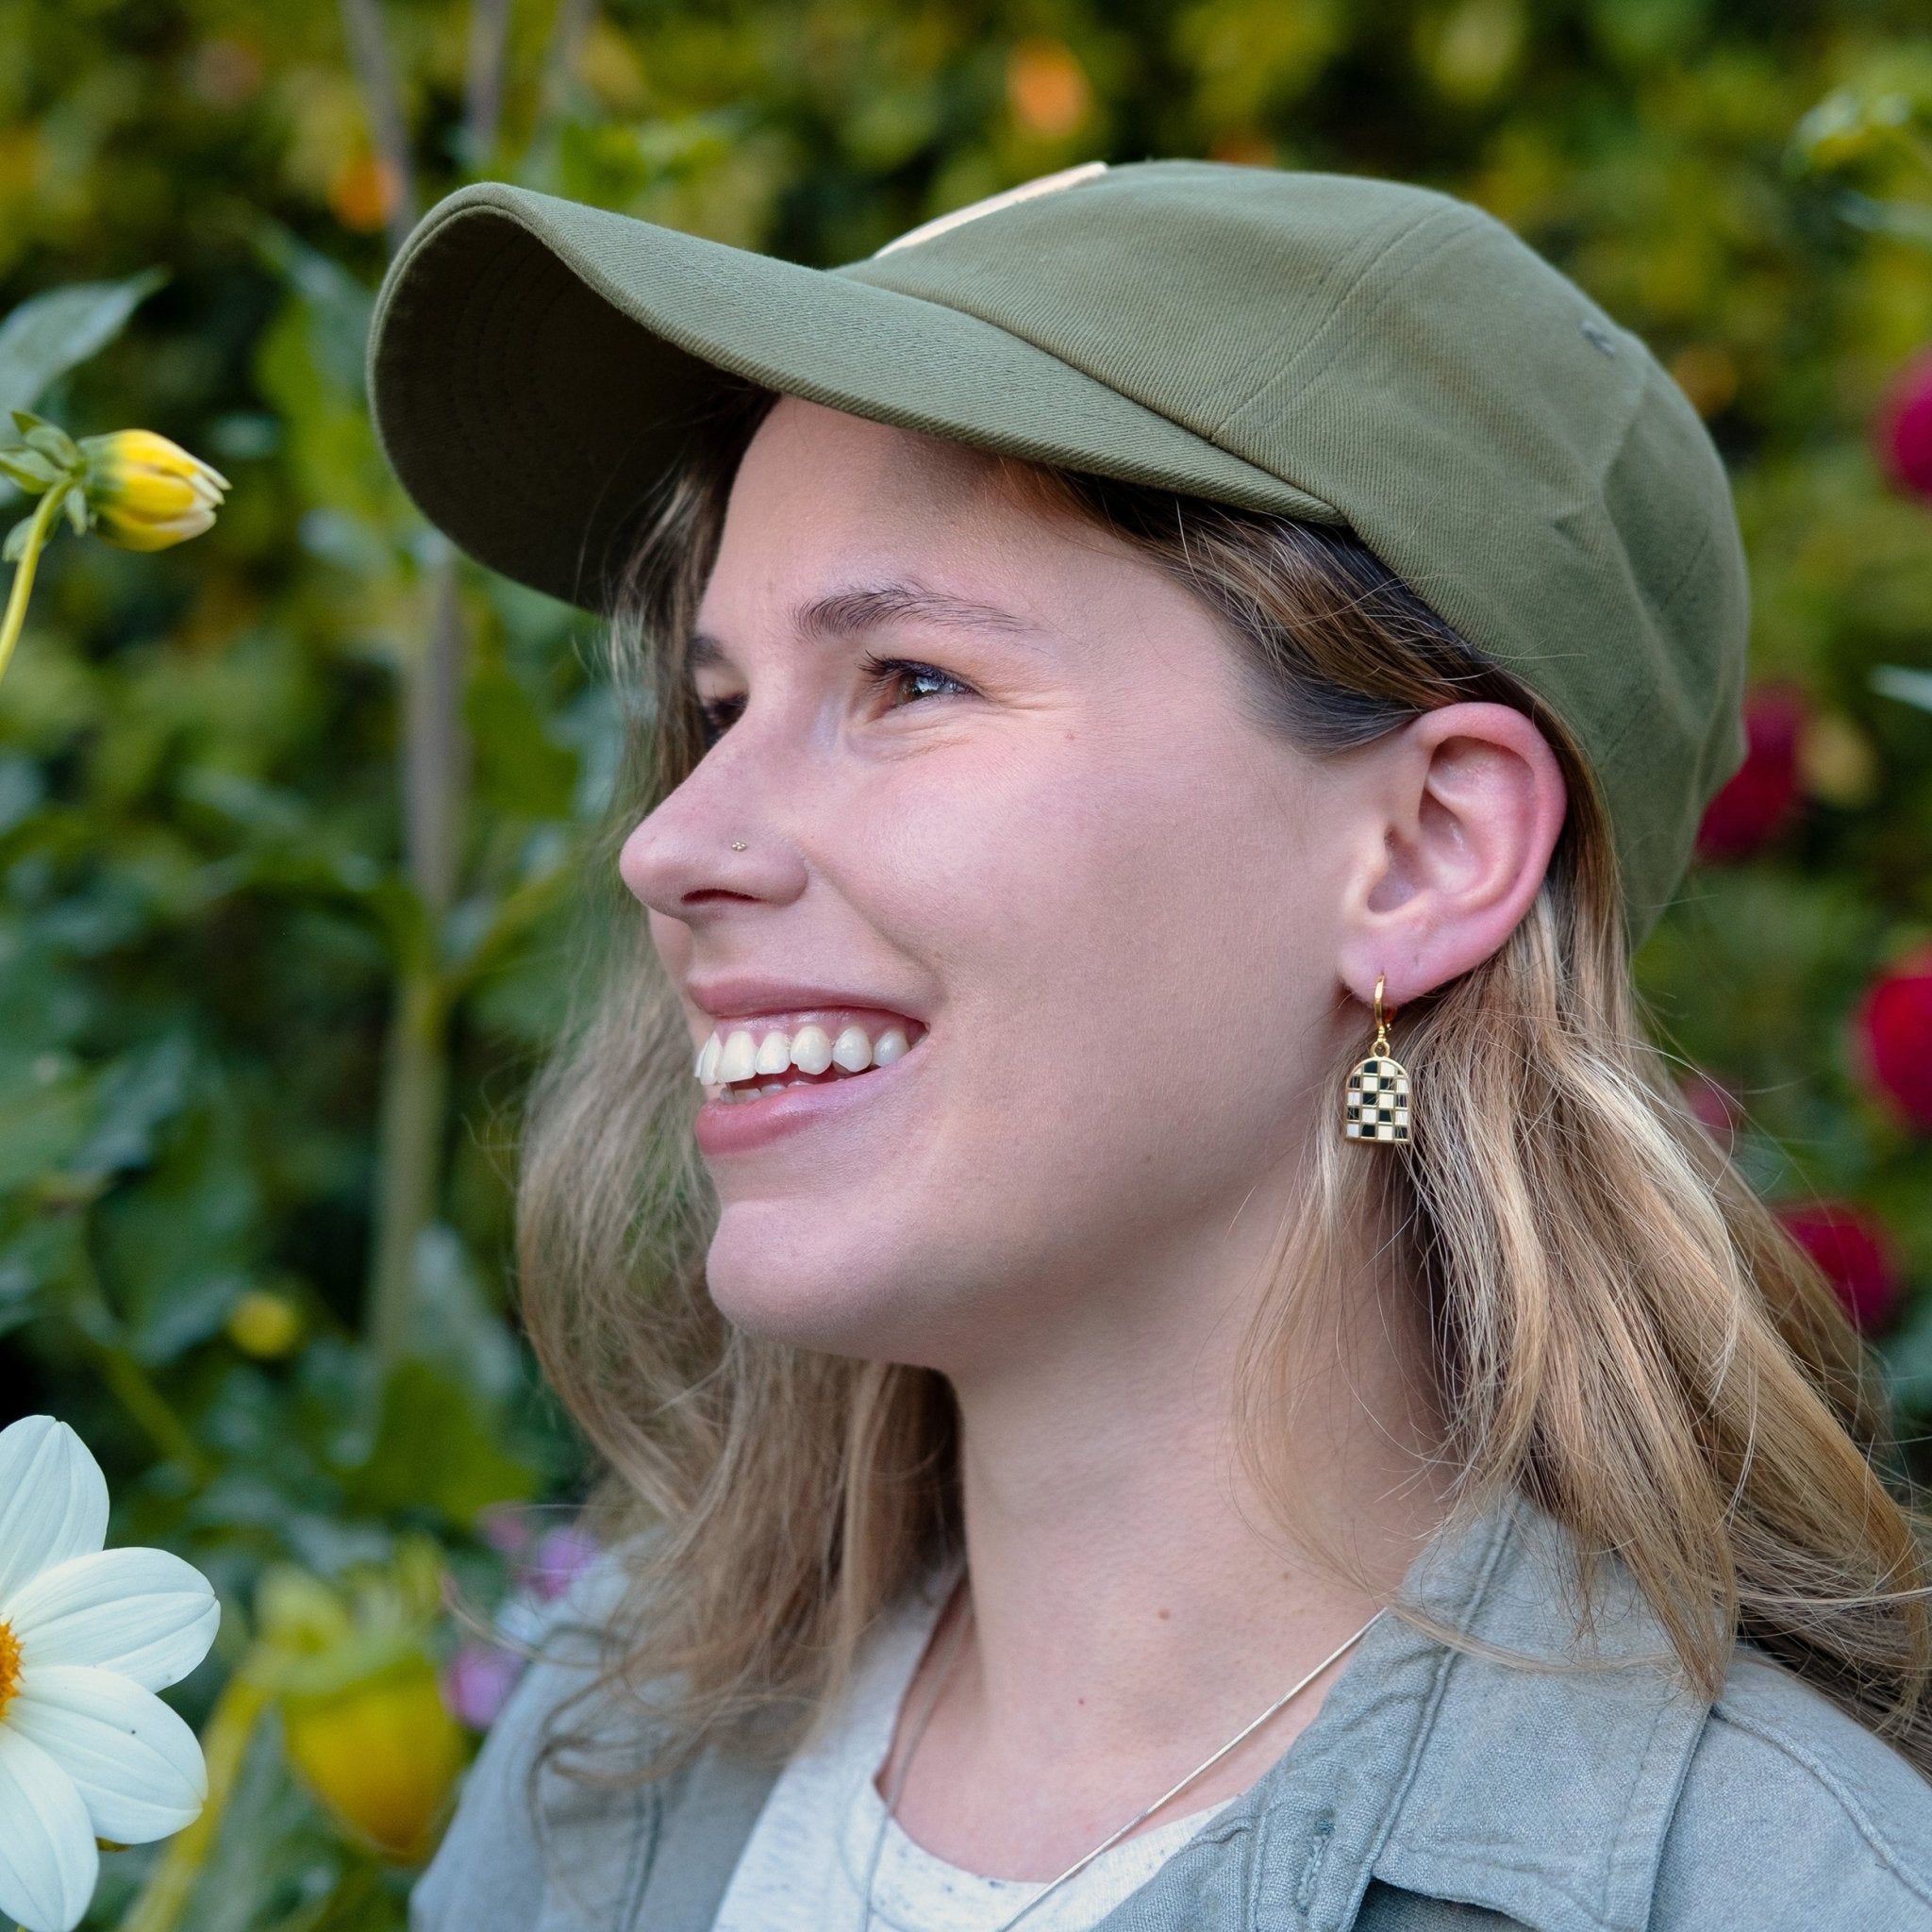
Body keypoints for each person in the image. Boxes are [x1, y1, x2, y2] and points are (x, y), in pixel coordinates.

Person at [370, 160, 1932, 1930]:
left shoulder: (1773, 1890)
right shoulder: (609, 1743)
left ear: (1426, 851)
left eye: (907, 680)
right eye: (722, 708)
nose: (672, 846)